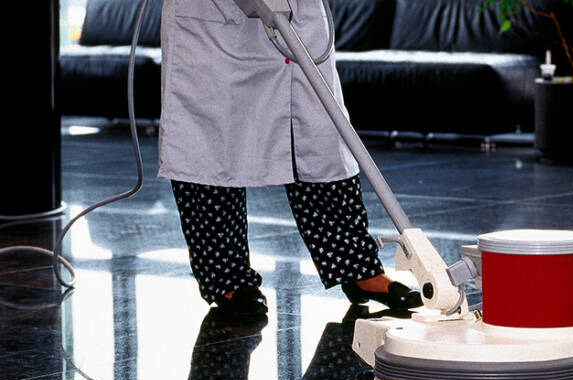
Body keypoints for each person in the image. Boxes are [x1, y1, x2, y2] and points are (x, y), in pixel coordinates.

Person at [157, 0, 422, 316]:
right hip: (214, 24)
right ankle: (228, 278)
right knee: (212, 146)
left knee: (322, 141)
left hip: (299, 20)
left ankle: (358, 268)